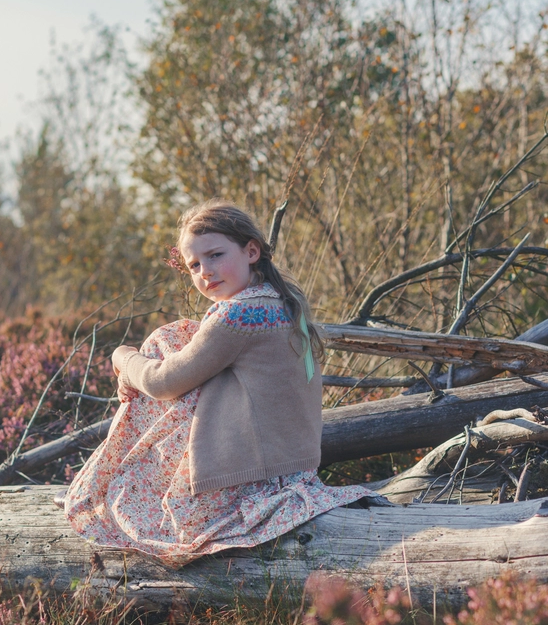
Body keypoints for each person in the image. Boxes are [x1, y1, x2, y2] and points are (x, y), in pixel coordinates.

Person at [64, 199, 375, 566]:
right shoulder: (279, 302)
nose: (205, 272)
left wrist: (122, 358)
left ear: (251, 251)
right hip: (290, 469)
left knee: (163, 347)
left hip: (257, 481)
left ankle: (109, 476)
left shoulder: (239, 314)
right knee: (177, 337)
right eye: (194, 265)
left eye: (215, 255)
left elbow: (163, 383)